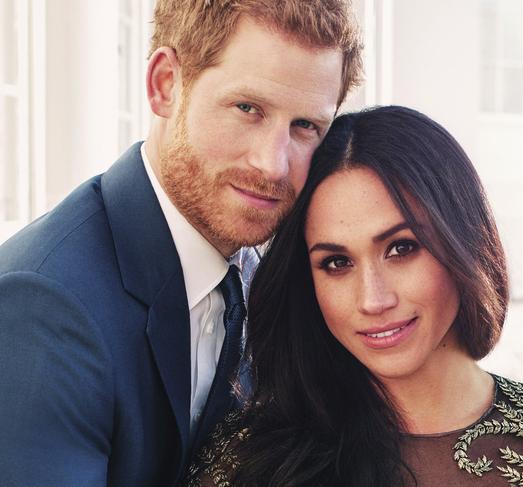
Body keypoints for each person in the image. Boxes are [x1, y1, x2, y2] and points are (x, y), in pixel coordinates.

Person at [0, 1, 362, 485]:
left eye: (305, 127)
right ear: (165, 84)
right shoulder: (44, 306)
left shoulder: (268, 267)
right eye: (248, 108)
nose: (273, 165)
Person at [186, 106, 523, 487]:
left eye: (402, 248)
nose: (373, 299)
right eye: (336, 263)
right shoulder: (248, 463)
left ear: (462, 242)